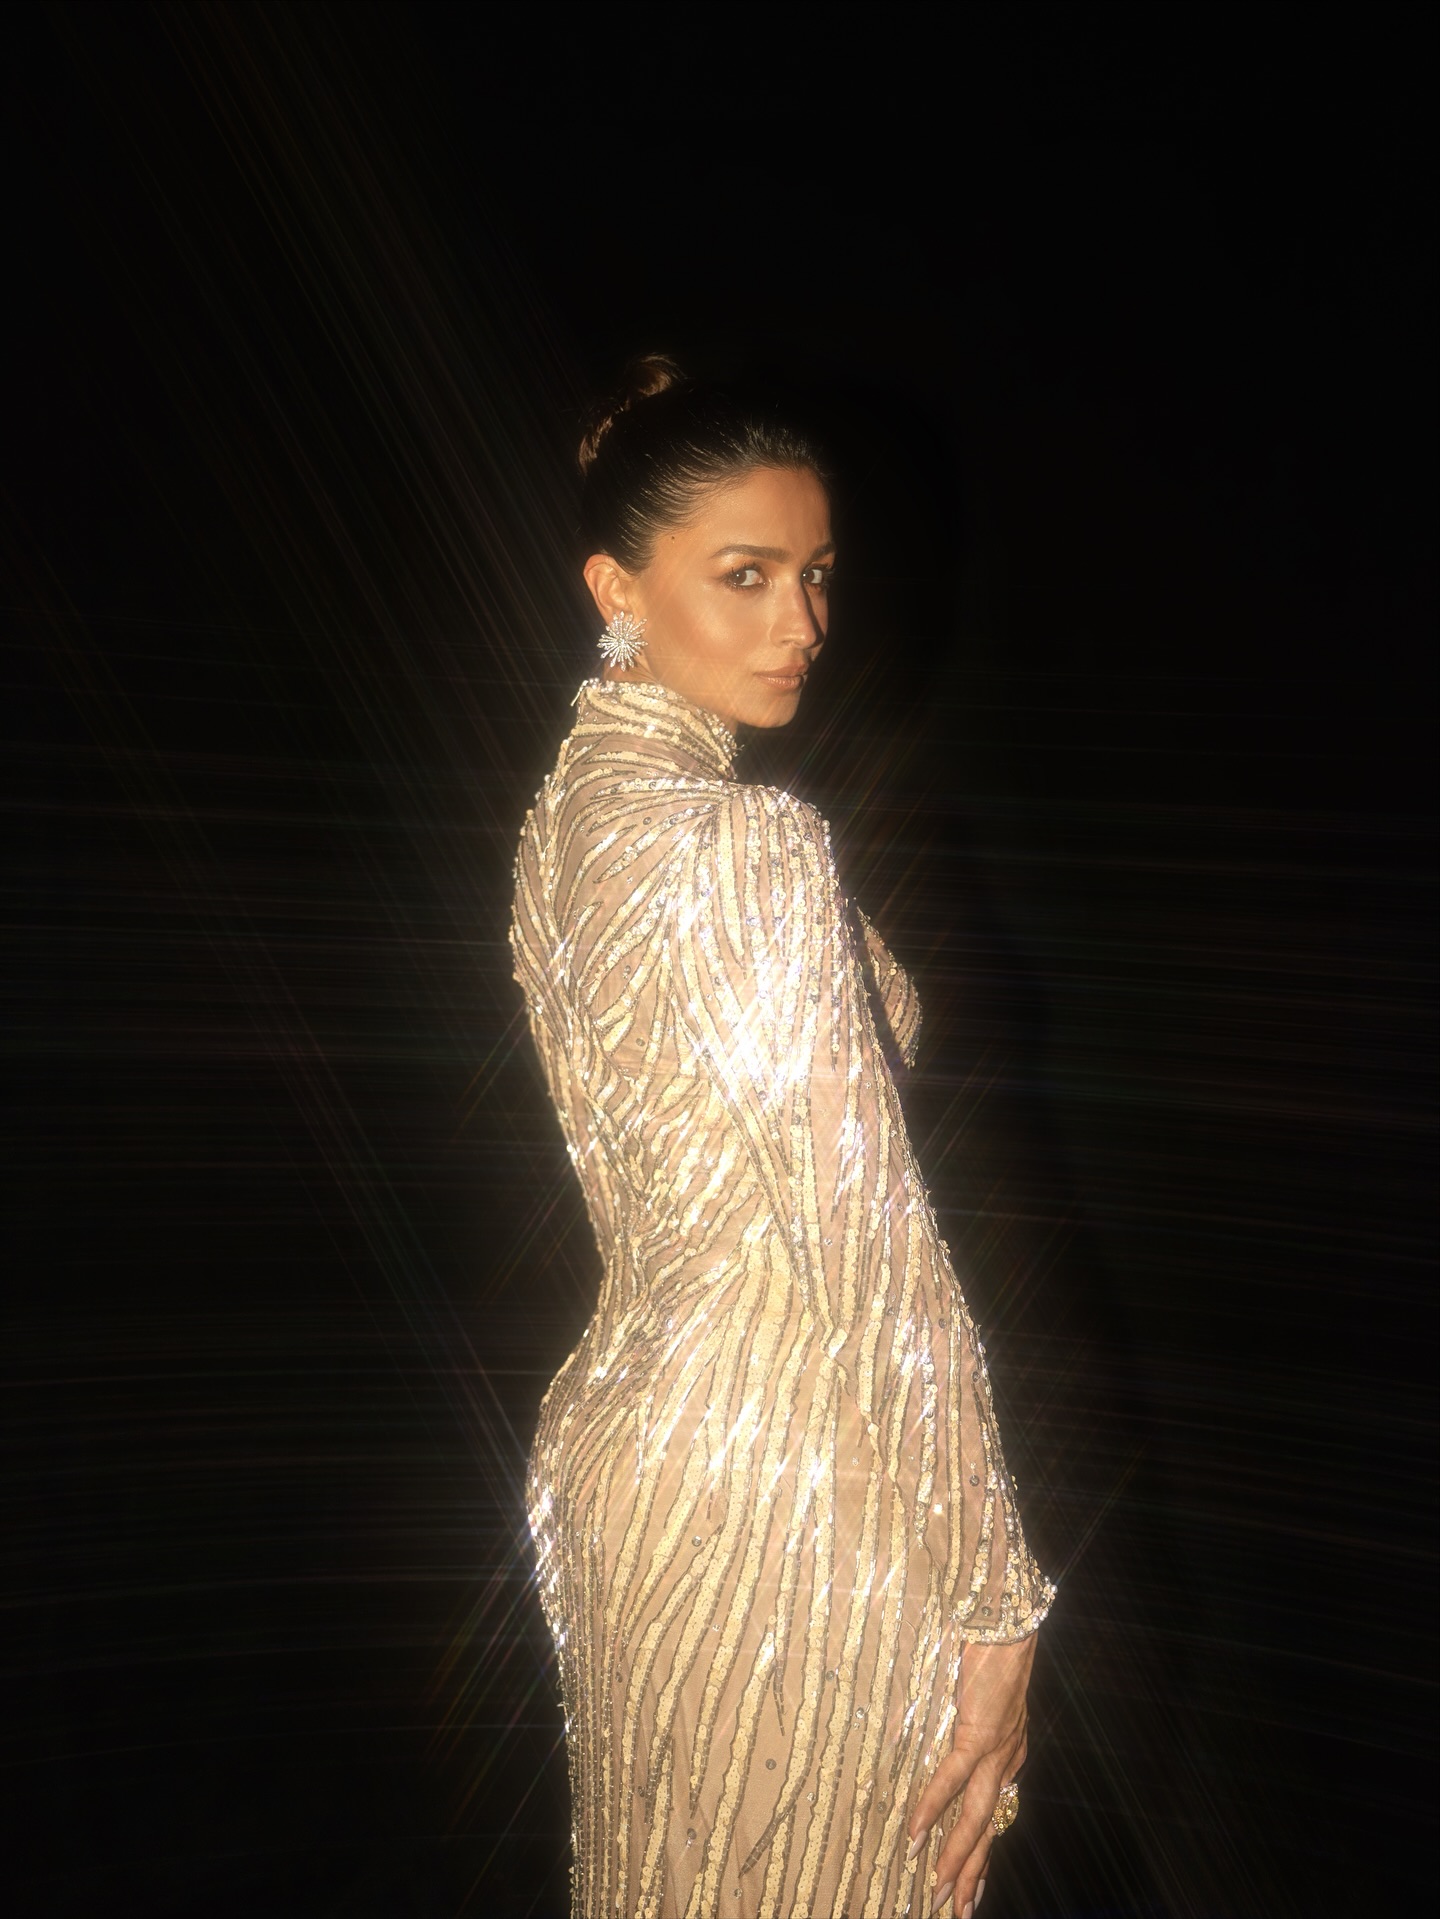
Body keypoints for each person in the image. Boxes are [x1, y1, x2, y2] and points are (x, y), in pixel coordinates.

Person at [510, 356, 1054, 1919]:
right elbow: (873, 1260)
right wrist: (996, 1598)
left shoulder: (566, 825)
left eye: (815, 575)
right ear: (617, 587)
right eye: (743, 576)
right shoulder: (745, 847)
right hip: (793, 1485)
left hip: (627, 1458)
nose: (801, 622)